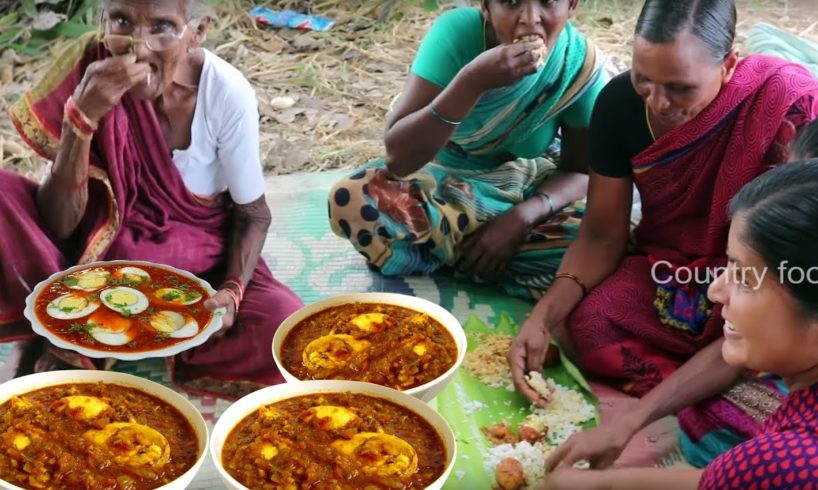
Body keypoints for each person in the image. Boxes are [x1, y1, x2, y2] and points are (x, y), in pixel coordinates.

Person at [509, 0, 818, 467]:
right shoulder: (619, 105)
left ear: (730, 64)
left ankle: (729, 377)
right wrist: (544, 317)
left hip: (774, 283)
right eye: (643, 80)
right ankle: (722, 376)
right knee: (589, 324)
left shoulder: (790, 112)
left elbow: (796, 276)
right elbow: (601, 233)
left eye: (679, 87)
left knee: (744, 431)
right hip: (679, 270)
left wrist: (634, 419)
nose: (657, 101)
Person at [0, 0, 302, 398]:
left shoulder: (225, 93)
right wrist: (82, 119)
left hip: (196, 268)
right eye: (122, 21)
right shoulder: (90, 71)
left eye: (162, 27)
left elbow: (253, 215)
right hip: (87, 257)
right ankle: (55, 330)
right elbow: (59, 224)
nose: (137, 47)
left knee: (286, 328)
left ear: (197, 32)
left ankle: (62, 337)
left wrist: (231, 290)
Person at [542, 159, 818, 489]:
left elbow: (755, 473)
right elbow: (726, 479)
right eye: (729, 266)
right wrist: (605, 481)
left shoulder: (789, 461)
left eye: (745, 278)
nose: (716, 292)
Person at [327, 0, 608, 298]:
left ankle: (448, 253)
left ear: (572, 4)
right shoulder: (456, 34)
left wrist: (520, 219)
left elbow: (580, 172)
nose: (529, 20)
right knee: (354, 200)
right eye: (511, 2)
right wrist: (472, 82)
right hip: (440, 185)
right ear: (486, 6)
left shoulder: (577, 65)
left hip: (522, 192)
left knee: (606, 233)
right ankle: (487, 260)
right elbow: (398, 159)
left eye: (549, 2)